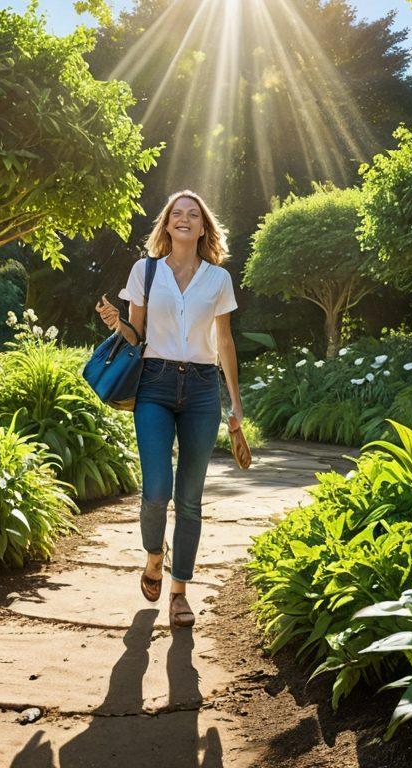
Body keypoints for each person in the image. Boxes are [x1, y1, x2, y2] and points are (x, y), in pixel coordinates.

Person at [95, 190, 242, 628]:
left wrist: (236, 402)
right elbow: (137, 334)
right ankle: (154, 557)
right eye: (176, 213)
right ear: (167, 224)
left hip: (202, 389)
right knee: (157, 491)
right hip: (155, 385)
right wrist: (117, 323)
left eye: (193, 214)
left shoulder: (218, 279)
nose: (184, 219)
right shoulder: (146, 270)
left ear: (203, 227)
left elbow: (225, 342)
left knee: (190, 499)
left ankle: (179, 593)